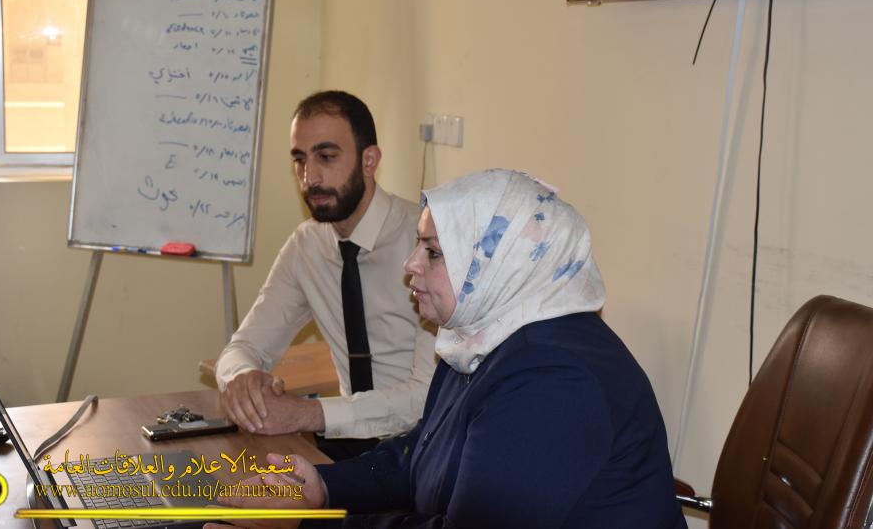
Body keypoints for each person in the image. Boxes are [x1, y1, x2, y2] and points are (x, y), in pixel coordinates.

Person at [209, 169, 688, 528]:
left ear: (498, 265)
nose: (410, 265)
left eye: (433, 252)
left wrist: (304, 524)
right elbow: (419, 456)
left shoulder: (554, 379)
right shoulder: (482, 336)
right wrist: (322, 486)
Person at [215, 91, 436, 460]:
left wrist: (309, 413)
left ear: (369, 160)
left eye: (327, 156)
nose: (309, 177)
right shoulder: (308, 245)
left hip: (422, 449)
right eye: (299, 160)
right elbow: (243, 347)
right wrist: (241, 379)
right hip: (349, 445)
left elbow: (426, 397)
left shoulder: (426, 243)